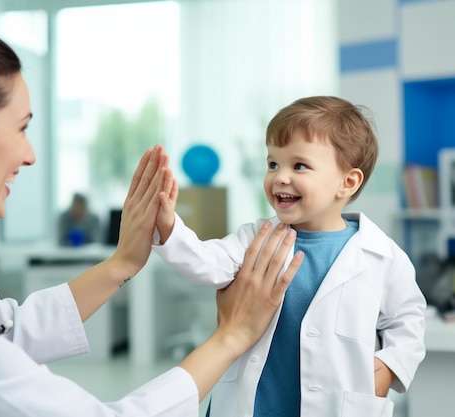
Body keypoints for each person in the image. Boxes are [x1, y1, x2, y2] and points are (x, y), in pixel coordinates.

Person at [0, 17, 304, 417]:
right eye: (21, 129)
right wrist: (231, 337)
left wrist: (123, 262)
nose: (30, 154)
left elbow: (3, 334)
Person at [153, 96, 427, 417]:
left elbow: (408, 319)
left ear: (347, 182)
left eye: (299, 165)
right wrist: (170, 227)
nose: (280, 176)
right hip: (254, 405)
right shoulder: (252, 238)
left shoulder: (383, 257)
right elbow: (207, 263)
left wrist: (390, 365)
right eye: (273, 163)